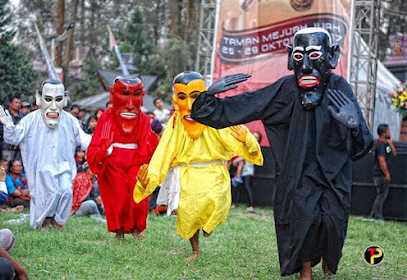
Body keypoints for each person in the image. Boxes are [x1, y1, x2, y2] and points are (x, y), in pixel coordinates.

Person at [191, 28, 373, 279]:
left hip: (334, 173)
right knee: (303, 220)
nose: (307, 66)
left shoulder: (339, 87)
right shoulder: (287, 89)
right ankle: (305, 269)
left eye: (314, 55)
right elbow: (248, 105)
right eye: (299, 58)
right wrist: (209, 99)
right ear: (291, 61)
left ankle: (329, 263)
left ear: (330, 58)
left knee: (333, 222)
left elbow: (361, 143)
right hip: (299, 172)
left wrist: (353, 126)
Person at [134, 71, 263, 263]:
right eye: (182, 97)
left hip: (214, 174)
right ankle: (195, 250)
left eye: (195, 97)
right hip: (187, 175)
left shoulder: (216, 116)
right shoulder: (176, 122)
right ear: (175, 100)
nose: (189, 105)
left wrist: (247, 140)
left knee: (217, 204)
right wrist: (147, 182)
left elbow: (239, 136)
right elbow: (164, 152)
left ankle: (208, 227)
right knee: (188, 214)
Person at [0, 78, 91, 231]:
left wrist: (102, 142)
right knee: (50, 192)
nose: (53, 106)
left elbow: (84, 139)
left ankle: (58, 220)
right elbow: (14, 137)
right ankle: (46, 221)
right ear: (39, 98)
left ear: (64, 100)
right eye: (48, 99)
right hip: (42, 166)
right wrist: (8, 125)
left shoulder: (70, 120)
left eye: (58, 99)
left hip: (64, 164)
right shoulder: (30, 120)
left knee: (66, 191)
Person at [87, 77, 158, 239]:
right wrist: (104, 150)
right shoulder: (106, 117)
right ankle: (119, 230)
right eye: (124, 94)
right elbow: (97, 143)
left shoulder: (144, 119)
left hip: (136, 161)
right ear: (114, 95)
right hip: (114, 162)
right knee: (117, 197)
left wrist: (147, 157)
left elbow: (148, 143)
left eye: (136, 95)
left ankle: (136, 229)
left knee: (138, 194)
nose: (130, 104)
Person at [368, 124, 396, 221]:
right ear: (384, 133)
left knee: (380, 194)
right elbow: (381, 160)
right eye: (388, 131)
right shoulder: (379, 144)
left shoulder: (386, 143)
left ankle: (372, 215)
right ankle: (378, 216)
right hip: (380, 174)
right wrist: (386, 173)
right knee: (381, 195)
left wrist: (391, 143)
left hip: (383, 174)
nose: (389, 132)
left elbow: (394, 153)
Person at [0, 95, 24, 161]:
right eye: (16, 102)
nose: (18, 104)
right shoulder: (4, 116)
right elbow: (1, 130)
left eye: (19, 103)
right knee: (6, 164)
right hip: (6, 146)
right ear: (10, 104)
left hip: (19, 147)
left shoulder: (23, 117)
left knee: (18, 166)